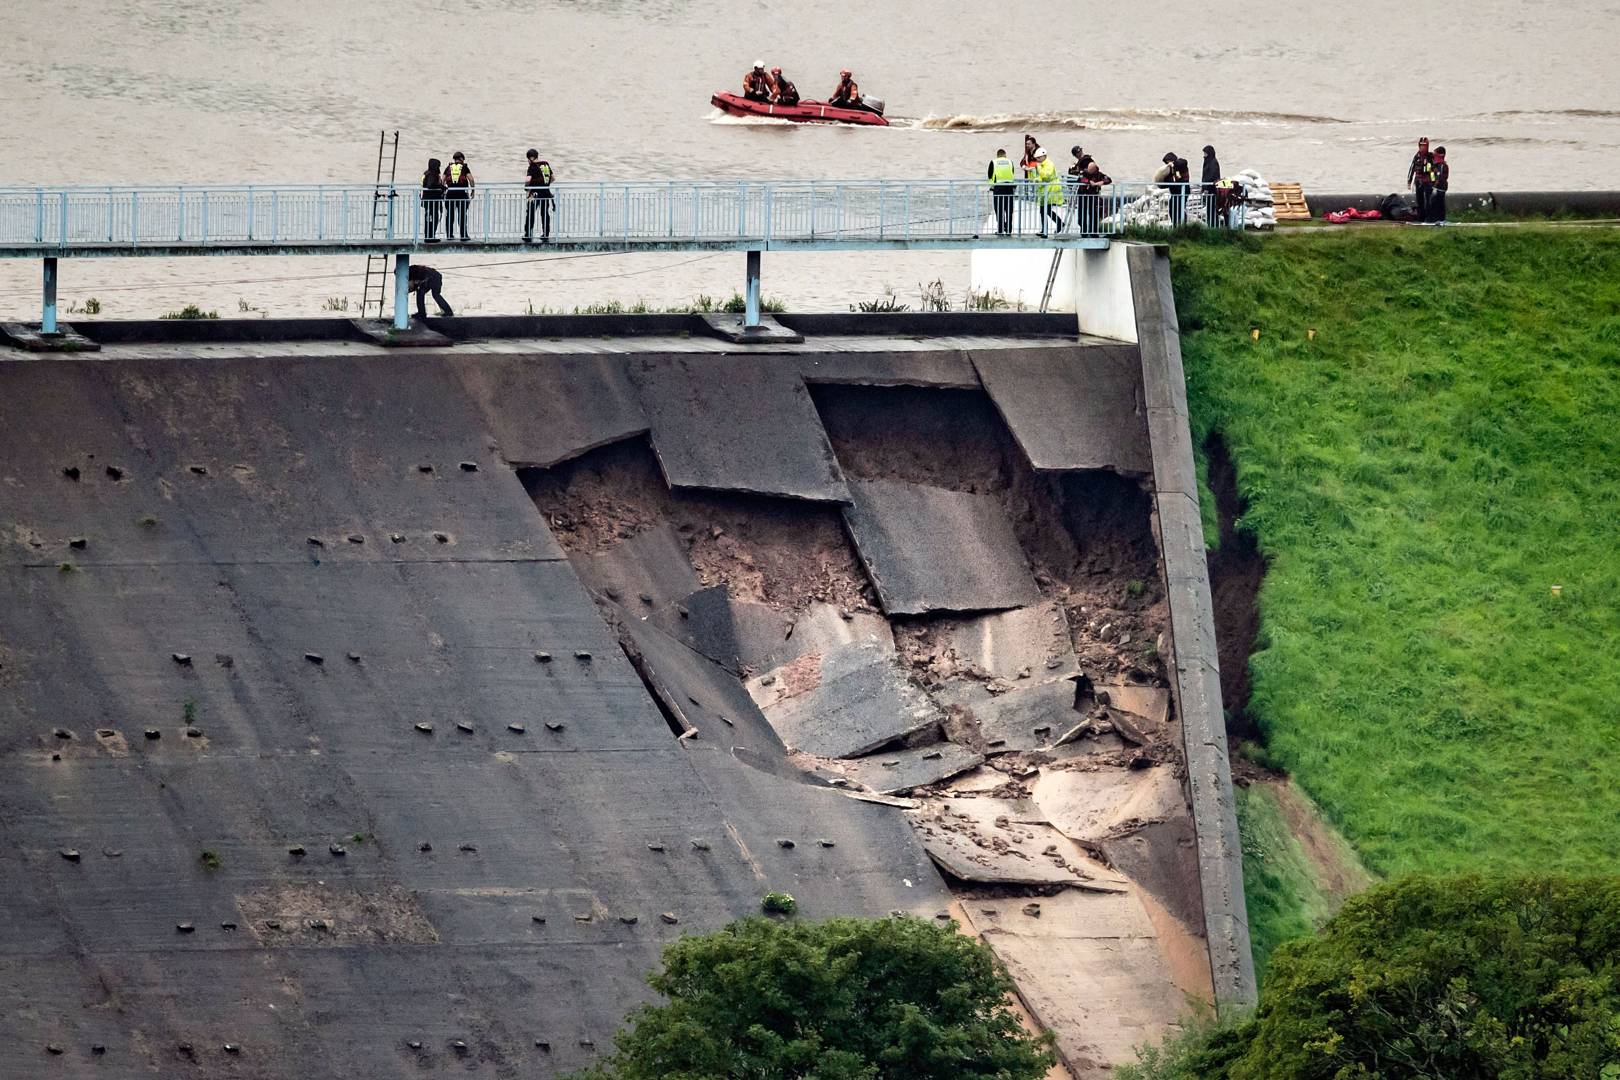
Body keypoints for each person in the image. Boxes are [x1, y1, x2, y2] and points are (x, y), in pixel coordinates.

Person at [1032, 147, 1065, 237]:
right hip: (1046, 191)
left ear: (1044, 156)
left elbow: (1046, 176)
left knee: (1046, 210)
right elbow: (1042, 178)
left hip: (1051, 190)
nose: (1037, 160)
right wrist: (1036, 179)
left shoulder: (1048, 164)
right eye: (1037, 158)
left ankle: (1055, 225)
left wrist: (1039, 168)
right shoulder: (1043, 164)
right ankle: (1045, 229)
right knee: (1044, 211)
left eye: (1039, 158)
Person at [524, 149, 554, 243]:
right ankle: (545, 234)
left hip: (534, 194)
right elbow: (553, 178)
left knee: (530, 213)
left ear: (531, 158)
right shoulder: (546, 164)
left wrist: (527, 189)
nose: (528, 161)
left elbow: (528, 180)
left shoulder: (532, 166)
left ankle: (528, 234)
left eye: (528, 159)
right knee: (544, 213)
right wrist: (544, 185)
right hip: (546, 193)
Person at [443, 151, 473, 241]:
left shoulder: (448, 168)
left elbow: (442, 180)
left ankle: (449, 235)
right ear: (461, 159)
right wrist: (473, 190)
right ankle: (463, 235)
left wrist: (443, 191)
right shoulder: (464, 168)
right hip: (462, 195)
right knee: (462, 215)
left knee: (450, 215)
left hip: (450, 194)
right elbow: (471, 179)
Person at [1075, 160, 1112, 232]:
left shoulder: (1099, 174)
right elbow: (1080, 179)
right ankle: (1084, 231)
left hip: (1093, 197)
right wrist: (1089, 182)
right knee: (1081, 215)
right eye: (1088, 169)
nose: (1089, 171)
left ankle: (1094, 232)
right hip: (1083, 196)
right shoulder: (1084, 173)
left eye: (1090, 170)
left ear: (1094, 169)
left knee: (1093, 215)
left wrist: (1102, 182)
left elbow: (1109, 180)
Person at [987, 148, 1016, 235]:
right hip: (1009, 187)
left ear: (997, 155)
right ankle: (1008, 230)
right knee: (1009, 209)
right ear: (1005, 155)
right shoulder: (1010, 162)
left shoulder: (994, 162)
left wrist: (992, 186)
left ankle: (1000, 230)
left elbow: (990, 175)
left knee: (999, 209)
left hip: (998, 188)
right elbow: (1012, 173)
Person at [1407, 137, 1434, 222]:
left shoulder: (1430, 156)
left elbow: (1434, 170)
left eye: (1424, 146)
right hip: (1418, 181)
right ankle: (1421, 218)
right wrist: (1409, 181)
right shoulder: (1417, 156)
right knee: (1419, 201)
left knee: (1428, 201)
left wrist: (1434, 182)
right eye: (1421, 145)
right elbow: (1412, 168)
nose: (1423, 147)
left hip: (1428, 182)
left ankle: (1429, 218)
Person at [420, 157, 445, 243]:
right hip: (431, 201)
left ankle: (429, 236)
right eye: (438, 166)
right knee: (433, 219)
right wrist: (441, 187)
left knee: (429, 219)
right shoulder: (431, 174)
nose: (439, 168)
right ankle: (430, 236)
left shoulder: (427, 173)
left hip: (428, 200)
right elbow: (430, 185)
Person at [1425, 146, 1450, 223]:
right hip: (1436, 188)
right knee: (1435, 204)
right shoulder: (1435, 165)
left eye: (1435, 154)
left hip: (1440, 188)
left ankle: (1439, 220)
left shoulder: (1443, 165)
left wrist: (1435, 186)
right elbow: (1431, 174)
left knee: (1437, 204)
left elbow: (1440, 177)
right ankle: (1436, 219)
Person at [1201, 144, 1221, 225]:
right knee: (1209, 209)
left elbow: (1212, 176)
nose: (1204, 155)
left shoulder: (1213, 162)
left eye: (1205, 153)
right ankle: (1211, 224)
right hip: (1208, 189)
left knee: (1212, 209)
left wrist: (1207, 188)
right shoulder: (1208, 162)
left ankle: (1213, 225)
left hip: (1212, 190)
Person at [1170, 157, 1191, 226]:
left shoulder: (1181, 173)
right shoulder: (1182, 171)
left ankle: (1179, 225)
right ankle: (1177, 224)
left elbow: (1179, 179)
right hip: (1180, 192)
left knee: (1178, 209)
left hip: (1181, 192)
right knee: (1175, 208)